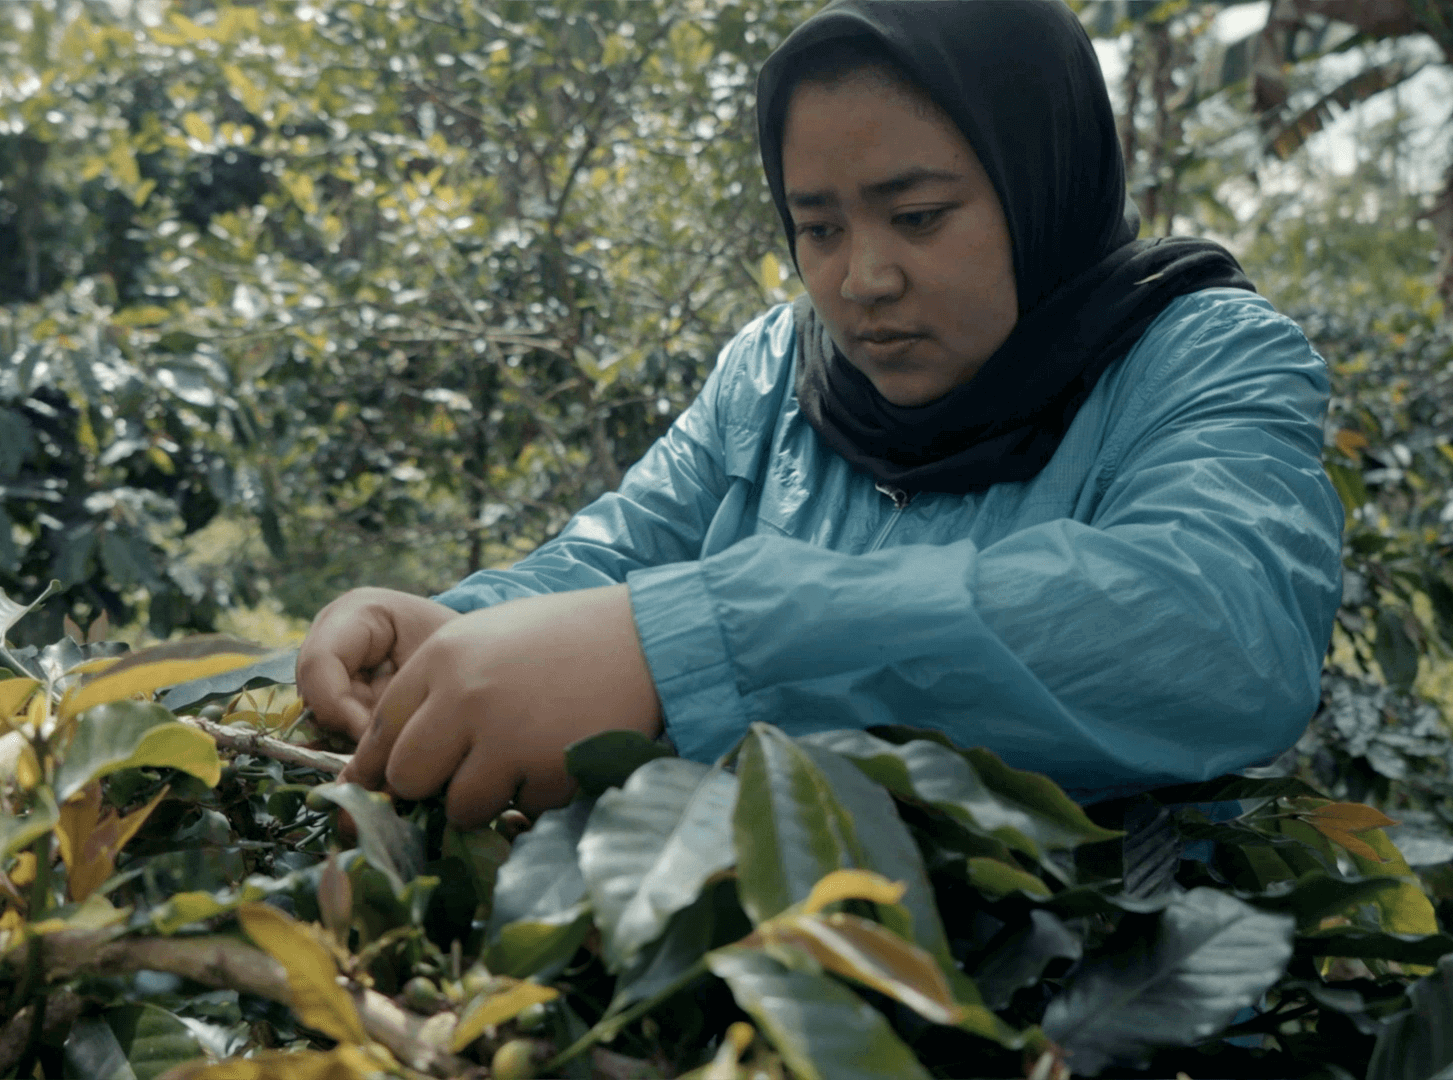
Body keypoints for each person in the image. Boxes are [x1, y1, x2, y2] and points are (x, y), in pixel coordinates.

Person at [295, 0, 1344, 830]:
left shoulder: (1199, 356)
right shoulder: (776, 370)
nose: (863, 279)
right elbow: (616, 560)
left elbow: (1218, 627)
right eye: (818, 227)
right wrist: (457, 630)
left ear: (1041, 182)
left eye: (920, 216)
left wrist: (695, 647)